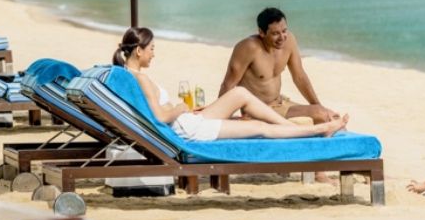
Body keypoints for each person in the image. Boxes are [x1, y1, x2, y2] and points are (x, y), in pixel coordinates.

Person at [114, 27, 348, 141]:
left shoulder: (128, 74)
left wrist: (187, 110)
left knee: (240, 93)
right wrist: (181, 108)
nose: (154, 54)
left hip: (187, 121)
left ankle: (293, 128)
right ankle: (318, 129)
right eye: (152, 49)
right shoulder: (141, 78)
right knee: (260, 128)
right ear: (138, 50)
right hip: (188, 129)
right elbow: (159, 117)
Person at [219, 8, 338, 126]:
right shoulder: (248, 48)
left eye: (284, 30)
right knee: (320, 115)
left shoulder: (289, 40)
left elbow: (299, 77)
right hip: (258, 110)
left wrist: (318, 105)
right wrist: (219, 119)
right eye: (275, 33)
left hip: (280, 103)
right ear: (261, 32)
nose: (282, 37)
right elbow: (228, 84)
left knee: (331, 116)